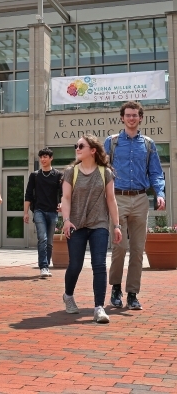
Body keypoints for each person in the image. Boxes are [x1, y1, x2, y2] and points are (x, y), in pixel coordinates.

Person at [105, 101, 165, 311]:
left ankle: (132, 294)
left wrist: (160, 193)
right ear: (122, 118)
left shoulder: (148, 144)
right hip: (117, 198)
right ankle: (115, 289)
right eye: (128, 115)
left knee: (138, 250)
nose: (131, 118)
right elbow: (101, 172)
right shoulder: (111, 142)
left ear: (140, 118)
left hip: (140, 199)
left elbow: (156, 172)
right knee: (119, 248)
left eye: (135, 115)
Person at [61, 135, 122, 324]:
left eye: (81, 146)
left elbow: (111, 200)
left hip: (99, 224)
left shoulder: (106, 173)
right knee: (75, 265)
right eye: (76, 146)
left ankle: (99, 308)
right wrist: (66, 220)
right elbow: (66, 198)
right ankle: (68, 295)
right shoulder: (71, 172)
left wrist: (117, 225)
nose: (77, 148)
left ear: (93, 150)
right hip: (76, 224)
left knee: (99, 265)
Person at [23, 148, 63, 278]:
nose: (43, 159)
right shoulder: (35, 175)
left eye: (45, 157)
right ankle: (43, 267)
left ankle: (47, 264)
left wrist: (62, 204)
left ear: (51, 158)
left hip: (53, 211)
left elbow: (63, 194)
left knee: (50, 241)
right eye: (41, 157)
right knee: (43, 238)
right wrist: (26, 213)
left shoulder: (58, 175)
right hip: (39, 210)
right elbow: (28, 194)